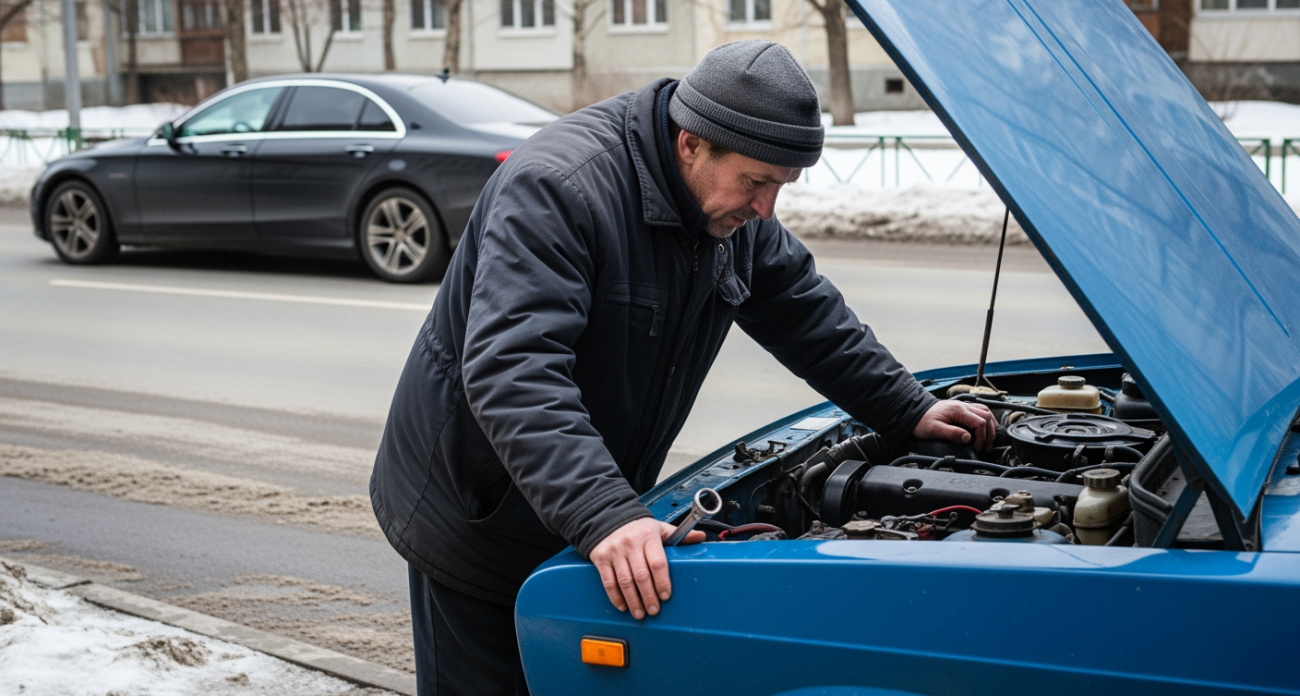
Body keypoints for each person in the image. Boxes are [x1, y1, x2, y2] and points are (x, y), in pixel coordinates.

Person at [370, 40, 996, 696]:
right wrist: (605, 513)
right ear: (691, 143)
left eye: (780, 188)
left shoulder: (728, 207)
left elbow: (804, 313)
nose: (766, 211)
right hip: (480, 515)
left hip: (580, 502)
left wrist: (907, 407)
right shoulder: (561, 187)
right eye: (756, 183)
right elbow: (514, 372)